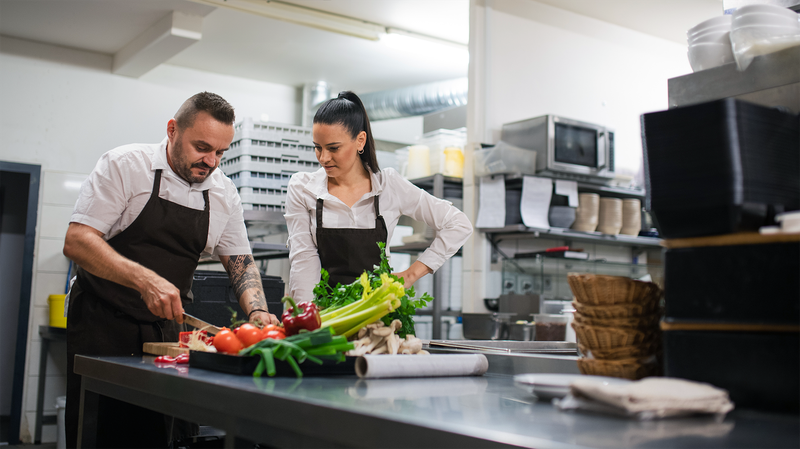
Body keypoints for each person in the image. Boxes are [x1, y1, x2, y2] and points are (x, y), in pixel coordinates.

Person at [62, 92, 280, 449]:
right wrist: (144, 279)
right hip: (103, 323)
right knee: (103, 431)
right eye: (202, 147)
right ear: (172, 130)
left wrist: (257, 309)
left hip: (168, 328)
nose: (211, 161)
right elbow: (78, 240)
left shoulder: (224, 193)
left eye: (221, 153)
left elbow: (240, 261)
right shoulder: (125, 166)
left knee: (162, 432)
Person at [284, 91, 473, 302]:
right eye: (317, 148)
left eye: (333, 148)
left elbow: (458, 224)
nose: (324, 158)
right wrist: (308, 317)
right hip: (325, 313)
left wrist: (411, 275)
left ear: (360, 141)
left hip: (377, 314)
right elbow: (304, 260)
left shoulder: (389, 185)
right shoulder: (303, 188)